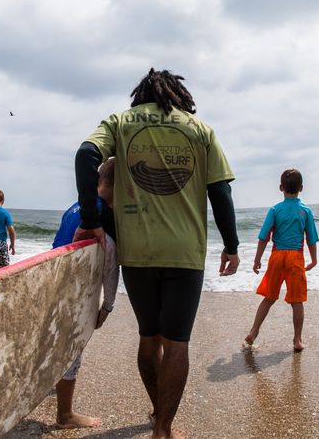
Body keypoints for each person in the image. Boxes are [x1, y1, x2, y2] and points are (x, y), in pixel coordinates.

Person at [73, 68, 240, 439]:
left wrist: (91, 219)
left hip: (138, 253)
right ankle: (163, 427)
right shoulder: (200, 129)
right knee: (177, 342)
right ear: (177, 94)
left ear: (140, 95)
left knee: (149, 337)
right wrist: (231, 245)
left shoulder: (121, 122)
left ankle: (157, 408)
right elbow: (220, 192)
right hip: (184, 253)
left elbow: (86, 156)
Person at [51, 157, 120, 429]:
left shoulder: (75, 207)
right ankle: (65, 415)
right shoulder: (103, 218)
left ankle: (53, 386)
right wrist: (107, 308)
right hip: (74, 295)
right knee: (71, 353)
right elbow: (110, 264)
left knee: (57, 346)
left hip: (54, 284)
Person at [245, 168, 319, 352]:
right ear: (301, 188)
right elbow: (311, 238)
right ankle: (297, 340)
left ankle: (254, 331)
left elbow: (264, 237)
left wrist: (257, 259)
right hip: (295, 258)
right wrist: (314, 259)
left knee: (269, 297)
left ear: (281, 187)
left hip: (277, 257)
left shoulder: (275, 210)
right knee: (297, 301)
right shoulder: (305, 211)